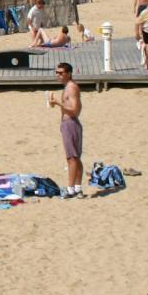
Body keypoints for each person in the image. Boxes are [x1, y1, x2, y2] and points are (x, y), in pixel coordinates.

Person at [48, 62, 84, 198]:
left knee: (72, 158)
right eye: (57, 72)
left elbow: (74, 109)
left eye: (61, 73)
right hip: (69, 124)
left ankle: (70, 189)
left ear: (68, 73)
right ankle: (77, 188)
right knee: (75, 157)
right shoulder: (68, 87)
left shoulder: (71, 87)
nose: (58, 75)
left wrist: (58, 103)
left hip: (71, 124)